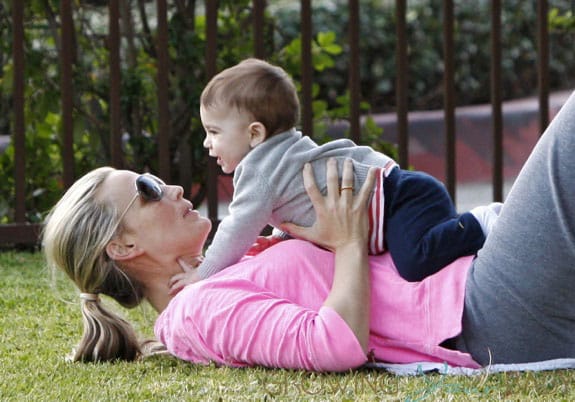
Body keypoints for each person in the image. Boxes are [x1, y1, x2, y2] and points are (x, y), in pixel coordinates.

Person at [43, 89, 575, 370]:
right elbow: (332, 346)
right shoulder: (194, 312)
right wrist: (345, 240)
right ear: (122, 245)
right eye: (147, 190)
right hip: (477, 315)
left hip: (474, 283)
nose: (174, 189)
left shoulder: (238, 258)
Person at [172, 58, 500, 289]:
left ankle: (481, 221)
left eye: (214, 132)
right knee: (419, 260)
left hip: (401, 199)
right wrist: (281, 236)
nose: (206, 142)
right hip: (401, 194)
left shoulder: (259, 171)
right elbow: (299, 204)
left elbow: (236, 229)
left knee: (414, 263)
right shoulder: (282, 157)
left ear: (255, 134)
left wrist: (203, 276)